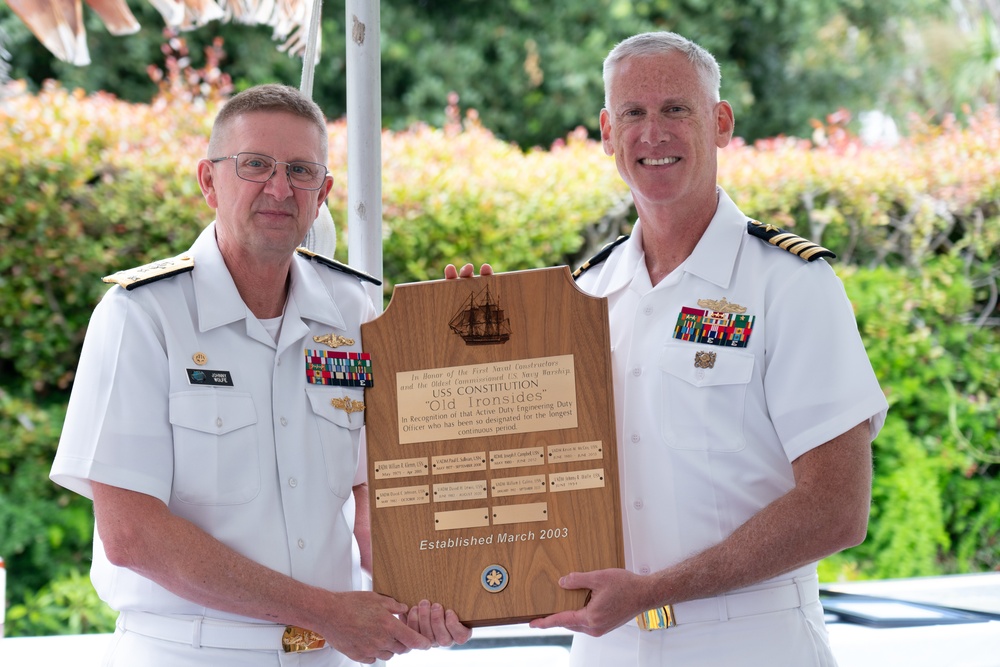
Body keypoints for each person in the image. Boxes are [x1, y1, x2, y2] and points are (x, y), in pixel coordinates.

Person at [50, 83, 469, 667]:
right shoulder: (141, 316)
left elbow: (377, 496)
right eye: (255, 165)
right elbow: (132, 537)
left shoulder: (353, 313)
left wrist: (449, 589)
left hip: (330, 654)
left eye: (301, 171)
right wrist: (322, 610)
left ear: (322, 194)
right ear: (208, 181)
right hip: (190, 654)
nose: (280, 187)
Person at [522, 32, 889, 666]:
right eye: (633, 114)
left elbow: (837, 509)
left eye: (675, 109)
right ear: (608, 132)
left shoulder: (789, 283)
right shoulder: (585, 295)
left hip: (752, 644)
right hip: (607, 650)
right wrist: (455, 331)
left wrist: (654, 593)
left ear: (720, 122)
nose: (652, 133)